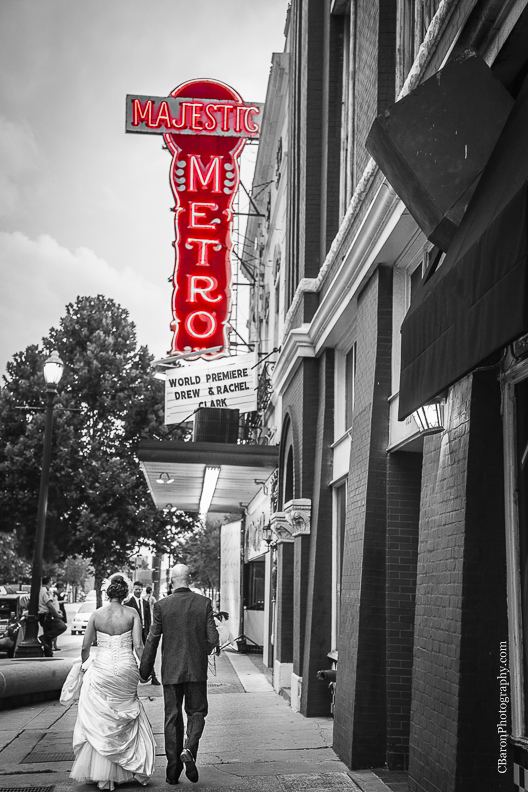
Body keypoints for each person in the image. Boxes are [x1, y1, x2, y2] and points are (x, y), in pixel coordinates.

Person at [70, 573, 155, 791]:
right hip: (126, 668)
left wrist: (84, 665)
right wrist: (145, 671)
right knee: (125, 714)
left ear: (108, 593)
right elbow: (138, 646)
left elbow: (84, 648)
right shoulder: (132, 613)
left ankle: (103, 773)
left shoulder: (97, 615)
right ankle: (131, 767)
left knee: (102, 718)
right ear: (125, 593)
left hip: (103, 669)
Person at [140, 564, 219, 785]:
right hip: (196, 670)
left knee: (172, 717)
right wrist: (199, 649)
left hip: (171, 672)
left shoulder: (162, 606)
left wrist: (145, 670)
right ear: (189, 578)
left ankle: (172, 772)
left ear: (172, 579)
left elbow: (152, 639)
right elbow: (212, 640)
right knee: (197, 712)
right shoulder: (203, 603)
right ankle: (189, 749)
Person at [124, 581, 160, 686]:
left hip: (144, 631)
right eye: (136, 589)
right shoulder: (128, 604)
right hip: (132, 632)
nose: (138, 591)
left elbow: (148, 618)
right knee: (129, 654)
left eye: (140, 589)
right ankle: (128, 677)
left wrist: (149, 631)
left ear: (142, 589)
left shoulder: (145, 603)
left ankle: (153, 676)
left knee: (148, 654)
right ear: (133, 590)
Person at [38, 576, 67, 657]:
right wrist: (56, 614)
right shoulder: (46, 590)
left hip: (44, 615)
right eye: (51, 581)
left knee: (49, 635)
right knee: (62, 627)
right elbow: (49, 604)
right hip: (47, 615)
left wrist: (57, 610)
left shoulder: (42, 590)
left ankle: (48, 653)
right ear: (49, 581)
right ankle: (43, 638)